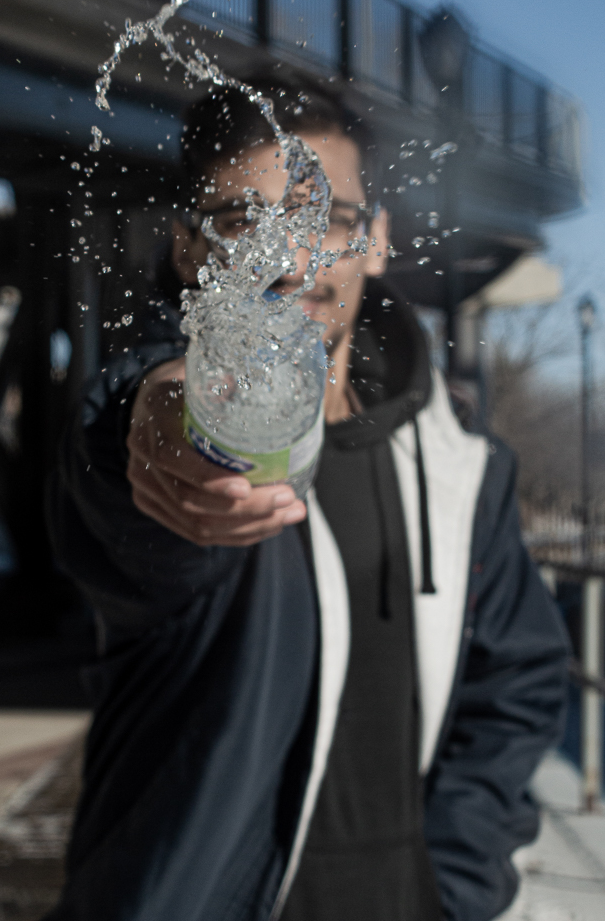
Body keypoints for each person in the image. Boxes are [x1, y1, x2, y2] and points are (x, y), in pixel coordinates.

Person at [46, 74, 569, 921]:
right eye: (246, 222)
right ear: (187, 250)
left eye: (326, 220)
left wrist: (458, 885)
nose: (292, 263)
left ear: (376, 239)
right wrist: (159, 423)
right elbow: (126, 480)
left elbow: (518, 682)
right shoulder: (170, 428)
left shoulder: (463, 464)